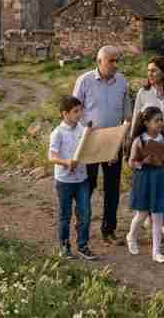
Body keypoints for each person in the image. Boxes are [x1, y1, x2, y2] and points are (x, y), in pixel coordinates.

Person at [72, 45, 132, 244]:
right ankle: (82, 224)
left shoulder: (122, 81)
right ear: (100, 61)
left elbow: (126, 113)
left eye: (117, 61)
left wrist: (125, 138)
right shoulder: (85, 80)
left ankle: (109, 230)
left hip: (113, 141)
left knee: (112, 187)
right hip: (89, 140)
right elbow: (74, 109)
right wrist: (81, 131)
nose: (115, 65)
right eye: (111, 61)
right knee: (87, 185)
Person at [129, 56, 164, 238]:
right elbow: (137, 118)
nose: (149, 74)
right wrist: (132, 145)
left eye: (154, 70)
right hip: (149, 145)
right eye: (148, 70)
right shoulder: (144, 93)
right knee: (152, 183)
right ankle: (150, 218)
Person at [126, 106, 164, 263]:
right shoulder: (139, 140)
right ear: (147, 122)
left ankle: (156, 252)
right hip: (143, 178)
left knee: (158, 216)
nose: (161, 123)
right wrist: (142, 162)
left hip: (159, 178)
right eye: (157, 120)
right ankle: (131, 235)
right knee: (142, 213)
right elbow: (131, 162)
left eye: (161, 119)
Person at [48, 95, 98, 261]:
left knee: (85, 213)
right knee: (65, 215)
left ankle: (83, 246)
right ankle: (64, 247)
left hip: (82, 179)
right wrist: (66, 162)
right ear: (65, 114)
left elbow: (89, 150)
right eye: (76, 111)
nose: (80, 114)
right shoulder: (57, 133)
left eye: (81, 110)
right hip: (64, 181)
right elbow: (52, 156)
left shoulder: (82, 130)